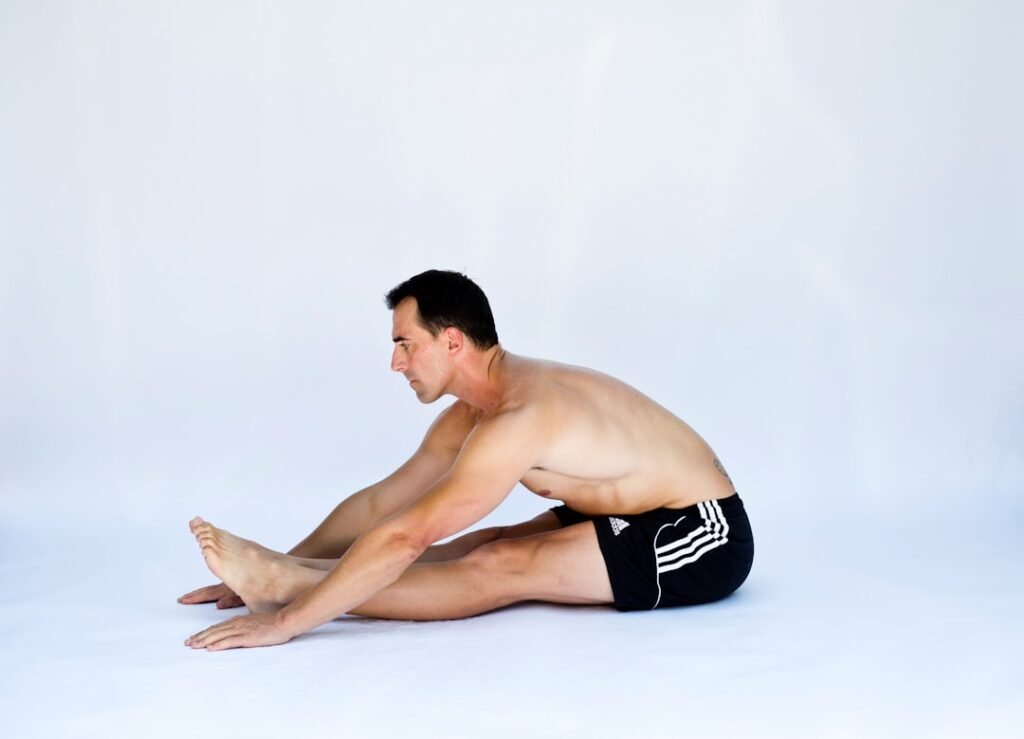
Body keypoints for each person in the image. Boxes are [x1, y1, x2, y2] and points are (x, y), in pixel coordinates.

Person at [180, 270, 754, 651]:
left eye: (405, 344)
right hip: (625, 507)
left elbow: (406, 537)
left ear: (452, 341)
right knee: (479, 543)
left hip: (703, 531)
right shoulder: (474, 412)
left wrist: (287, 620)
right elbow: (383, 504)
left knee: (502, 565)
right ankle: (280, 575)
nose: (396, 363)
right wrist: (279, 557)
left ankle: (284, 586)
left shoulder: (521, 416)